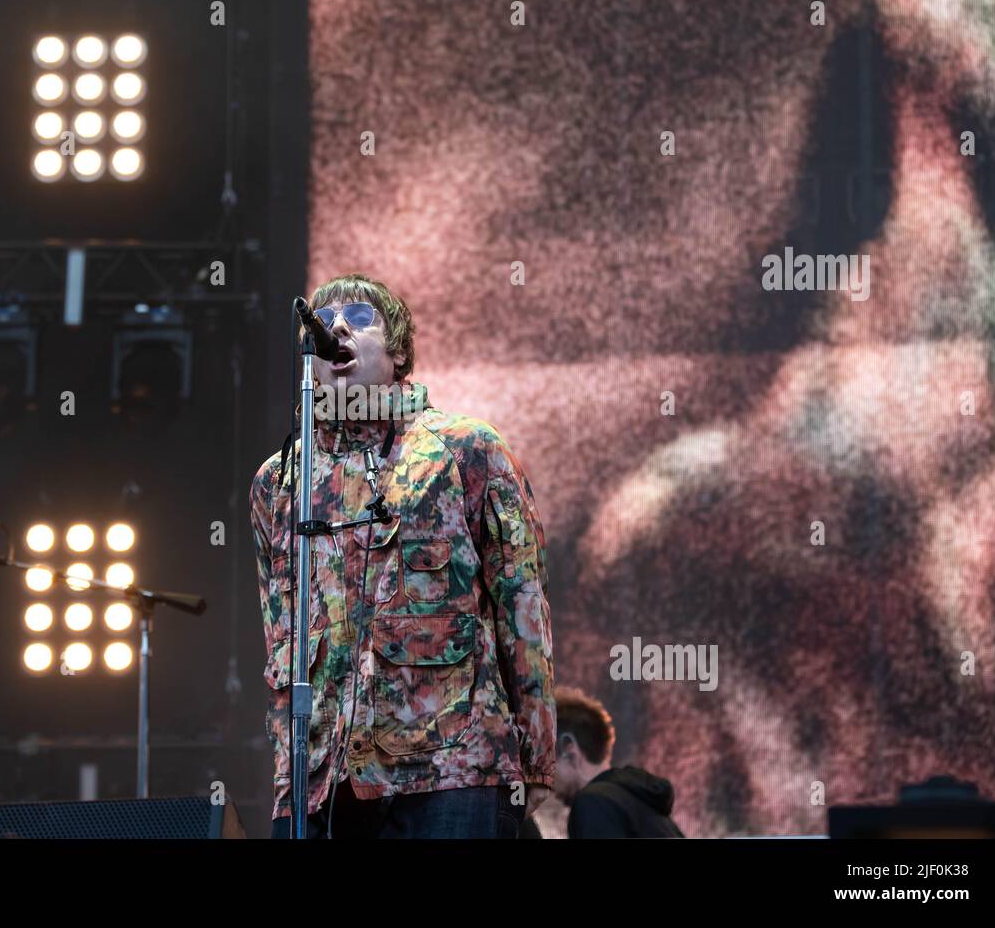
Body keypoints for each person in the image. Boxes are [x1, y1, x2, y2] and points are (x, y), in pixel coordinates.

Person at [250, 274, 555, 838]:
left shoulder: (466, 449)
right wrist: (287, 778)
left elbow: (523, 603)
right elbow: (279, 635)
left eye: (360, 318)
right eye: (325, 319)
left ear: (398, 353)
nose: (338, 326)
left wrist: (535, 752)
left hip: (452, 766)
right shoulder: (281, 480)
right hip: (324, 778)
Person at [527, 687, 682, 839]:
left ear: (570, 750)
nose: (544, 781)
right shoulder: (643, 805)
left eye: (543, 762)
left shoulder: (593, 804)